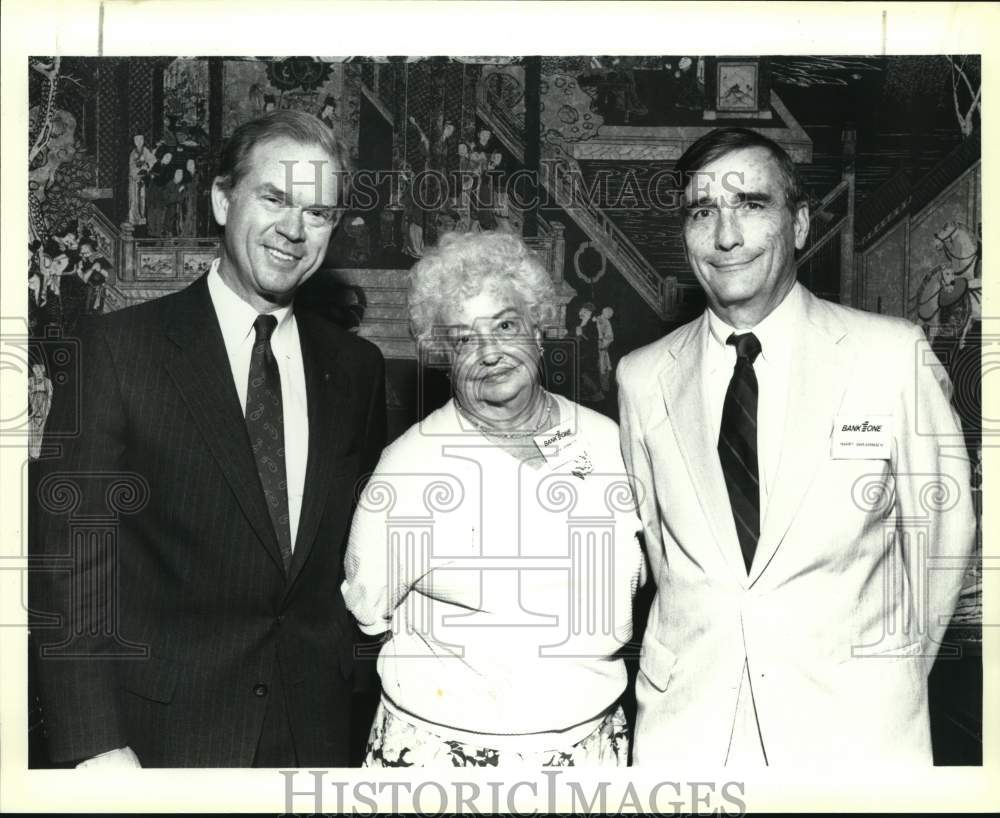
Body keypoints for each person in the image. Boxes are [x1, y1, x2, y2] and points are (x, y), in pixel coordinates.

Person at [32, 109, 387, 768]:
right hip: (158, 741)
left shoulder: (356, 370)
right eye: (275, 198)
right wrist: (95, 746)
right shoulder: (117, 352)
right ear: (224, 200)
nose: (293, 229)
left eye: (318, 214)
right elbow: (70, 566)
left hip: (316, 738)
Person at [616, 127, 975, 767]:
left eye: (752, 205)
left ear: (801, 223)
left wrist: (895, 672)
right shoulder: (641, 377)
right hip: (690, 727)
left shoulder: (891, 355)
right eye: (704, 212)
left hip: (853, 729)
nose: (726, 236)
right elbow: (657, 543)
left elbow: (945, 532)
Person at [342, 230, 644, 767]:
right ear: (441, 353)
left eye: (505, 325)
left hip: (591, 751)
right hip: (441, 758)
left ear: (538, 325)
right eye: (463, 339)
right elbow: (368, 607)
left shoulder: (610, 442)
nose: (489, 353)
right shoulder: (408, 466)